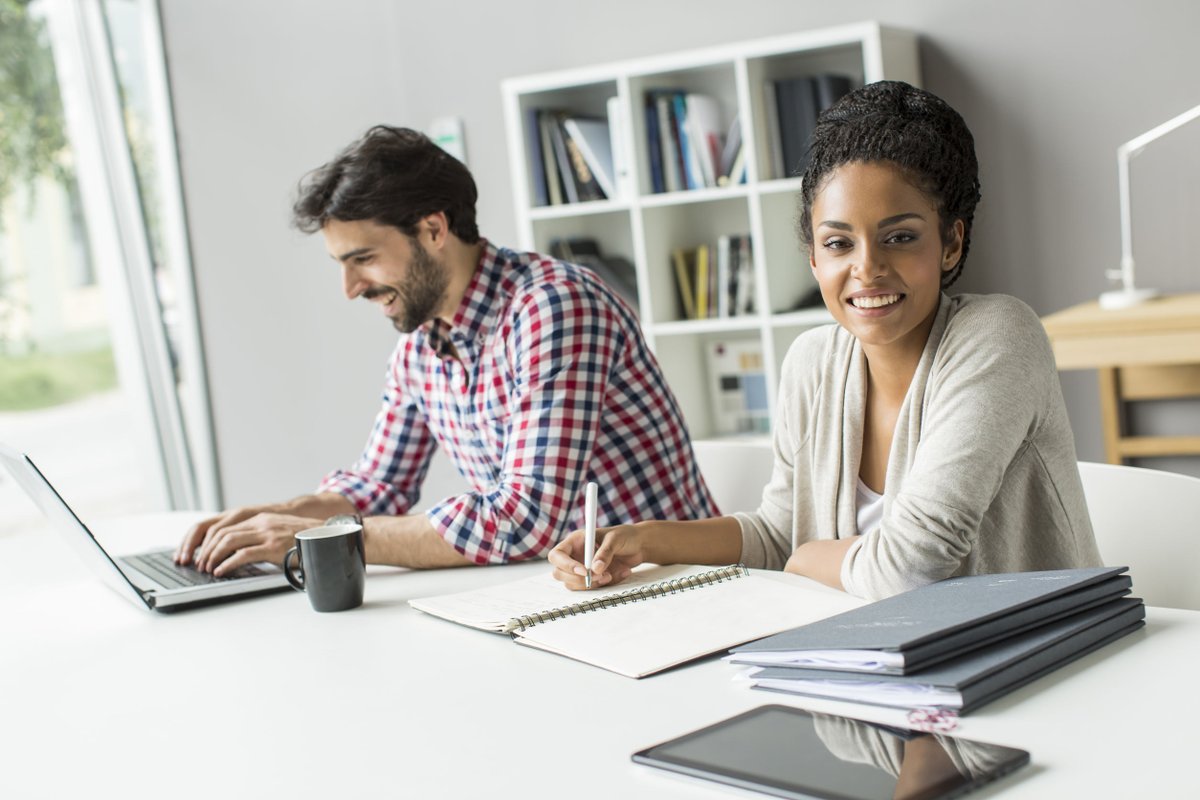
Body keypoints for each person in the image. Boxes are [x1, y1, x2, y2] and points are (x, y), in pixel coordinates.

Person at [550, 81, 1100, 600]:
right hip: (874, 662)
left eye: (900, 237)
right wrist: (646, 540)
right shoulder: (811, 362)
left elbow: (912, 564)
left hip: (1033, 663)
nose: (868, 268)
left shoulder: (999, 337)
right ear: (814, 257)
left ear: (952, 242)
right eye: (839, 243)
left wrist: (808, 559)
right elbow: (779, 535)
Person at [175, 125, 716, 576]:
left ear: (434, 228)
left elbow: (524, 518)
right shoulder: (421, 347)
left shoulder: (552, 308)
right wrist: (272, 518)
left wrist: (319, 537)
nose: (350, 287)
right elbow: (380, 484)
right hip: (570, 595)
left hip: (675, 587)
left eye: (362, 258)